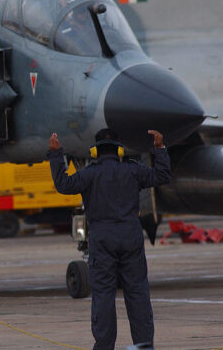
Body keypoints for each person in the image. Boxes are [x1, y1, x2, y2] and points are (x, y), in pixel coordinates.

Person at [47, 128, 170, 350]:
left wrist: (56, 155)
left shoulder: (89, 174)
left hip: (102, 240)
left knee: (103, 296)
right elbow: (162, 176)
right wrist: (159, 148)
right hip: (131, 237)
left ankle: (104, 346)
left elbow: (63, 185)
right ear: (119, 149)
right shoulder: (133, 170)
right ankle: (143, 346)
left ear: (95, 151)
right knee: (137, 294)